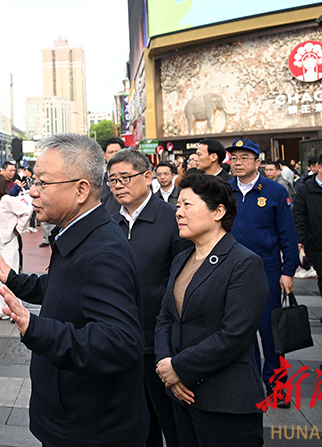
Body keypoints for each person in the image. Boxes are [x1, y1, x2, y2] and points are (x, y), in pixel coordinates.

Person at [0, 133, 148, 447]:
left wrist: (36, 328)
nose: (33, 192)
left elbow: (121, 343)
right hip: (73, 416)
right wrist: (17, 281)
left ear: (81, 190)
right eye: (34, 181)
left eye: (43, 183)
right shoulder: (77, 235)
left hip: (93, 428)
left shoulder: (101, 252)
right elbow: (66, 287)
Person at [155, 174, 269, 447]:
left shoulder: (244, 263)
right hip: (181, 393)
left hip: (225, 399)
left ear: (218, 211)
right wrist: (166, 365)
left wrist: (179, 367)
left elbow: (234, 335)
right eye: (178, 205)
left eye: (187, 205)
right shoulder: (182, 258)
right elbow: (166, 317)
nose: (178, 213)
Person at [108, 148, 189, 447]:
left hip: (159, 342)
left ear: (147, 176)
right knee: (137, 424)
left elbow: (181, 284)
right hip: (119, 341)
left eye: (125, 178)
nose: (118, 185)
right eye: (112, 179)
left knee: (171, 419)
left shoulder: (173, 218)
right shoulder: (108, 221)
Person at [227, 139, 298, 404]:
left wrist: (287, 270)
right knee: (240, 332)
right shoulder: (224, 190)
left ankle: (277, 385)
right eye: (234, 158)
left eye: (244, 157)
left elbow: (287, 235)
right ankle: (250, 383)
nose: (238, 162)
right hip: (231, 270)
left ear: (258, 162)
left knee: (270, 332)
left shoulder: (274, 191)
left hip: (266, 269)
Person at [292, 153, 322, 325]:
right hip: (316, 240)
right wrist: (300, 239)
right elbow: (298, 214)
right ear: (319, 168)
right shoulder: (306, 188)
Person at [0, 173, 32, 321]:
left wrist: (17, 229)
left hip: (8, 243)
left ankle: (14, 310)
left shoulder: (7, 200)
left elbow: (27, 211)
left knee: (10, 277)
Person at [100, 137, 125, 216]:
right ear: (104, 155)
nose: (114, 155)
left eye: (117, 152)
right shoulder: (97, 183)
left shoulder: (133, 178)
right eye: (111, 152)